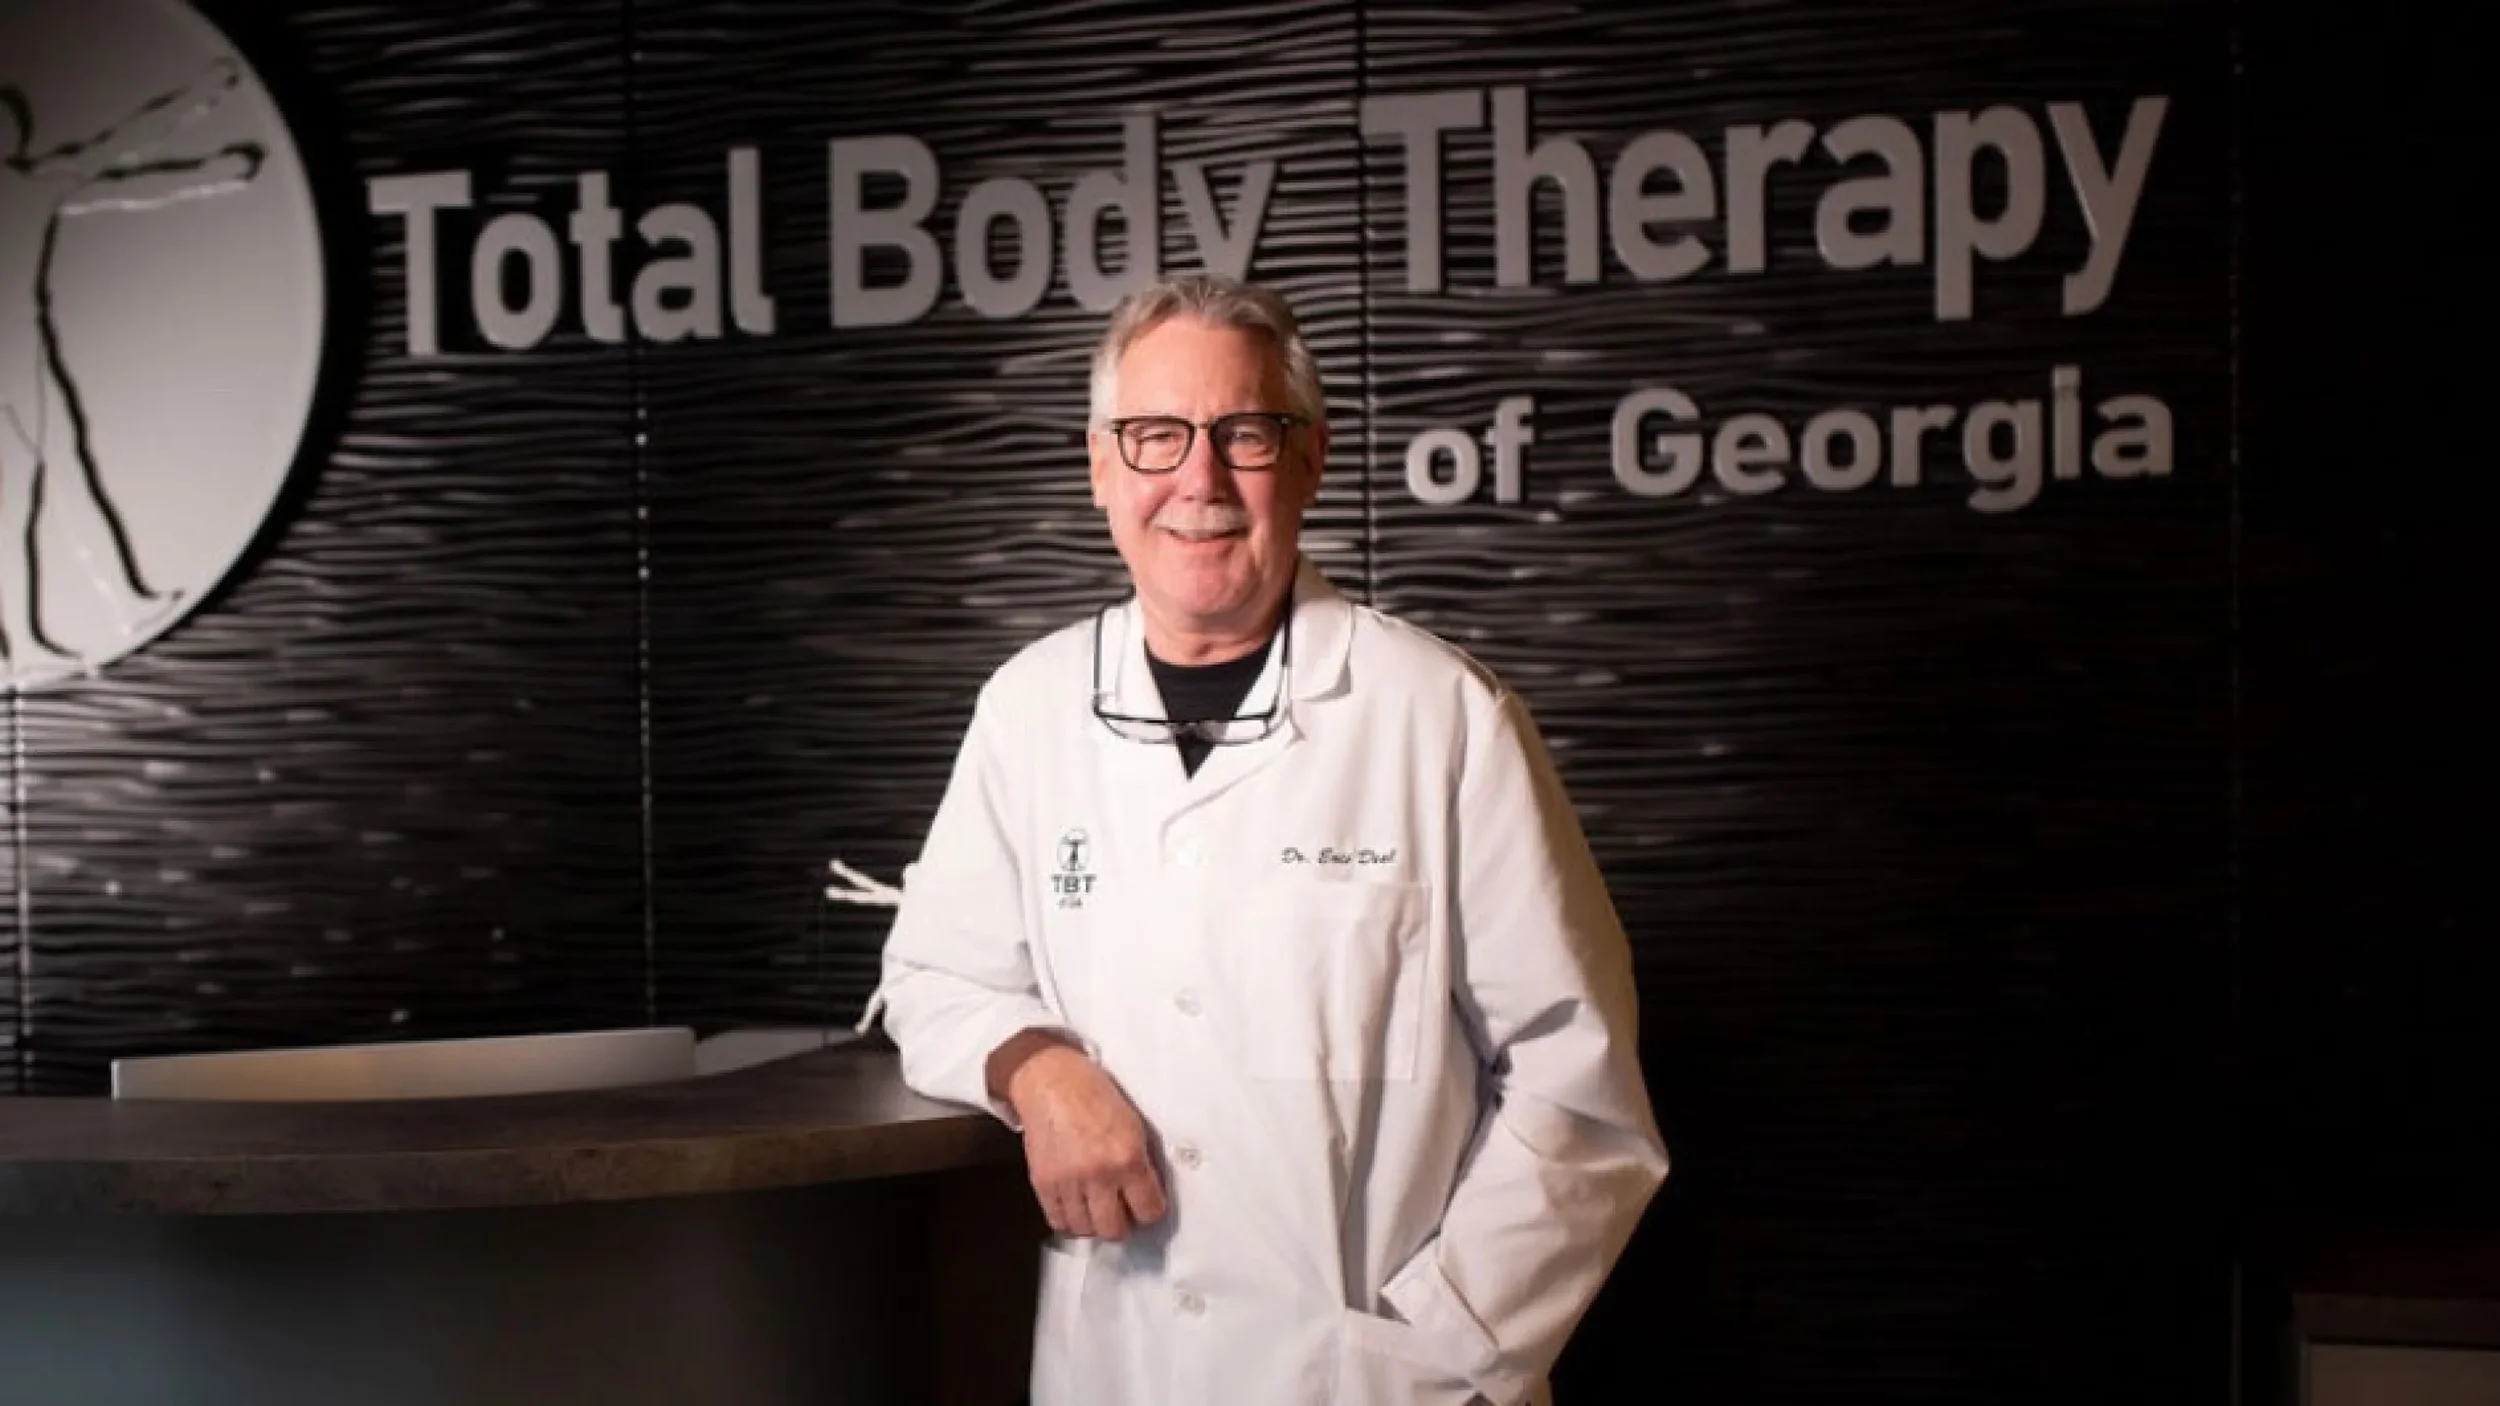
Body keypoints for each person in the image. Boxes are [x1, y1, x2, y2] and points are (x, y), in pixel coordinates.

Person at [866, 272, 1667, 1406]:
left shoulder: (1438, 716)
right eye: (1153, 435)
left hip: (1373, 1378)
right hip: (1122, 1367)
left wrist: (1440, 1343)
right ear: (1100, 466)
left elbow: (1576, 1085)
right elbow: (931, 974)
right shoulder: (1027, 709)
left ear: (1310, 457)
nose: (1197, 478)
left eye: (1242, 432)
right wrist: (1036, 1067)